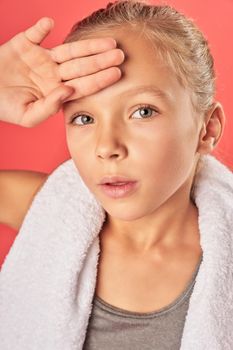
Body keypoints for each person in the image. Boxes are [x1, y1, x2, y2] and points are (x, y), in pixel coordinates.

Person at [0, 1, 232, 349]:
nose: (107, 146)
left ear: (207, 128)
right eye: (83, 118)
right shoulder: (43, 211)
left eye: (142, 111)